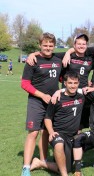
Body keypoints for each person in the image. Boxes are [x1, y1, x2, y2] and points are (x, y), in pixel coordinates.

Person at [27, 34, 93, 129]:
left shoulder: (90, 58)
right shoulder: (64, 56)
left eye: (84, 44)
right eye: (79, 44)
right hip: (67, 95)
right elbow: (47, 53)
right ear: (74, 45)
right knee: (64, 123)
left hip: (83, 94)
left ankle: (76, 143)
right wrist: (32, 54)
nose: (81, 46)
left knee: (79, 126)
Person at [21, 32, 62, 176]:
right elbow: (24, 84)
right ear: (40, 45)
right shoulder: (33, 60)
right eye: (45, 45)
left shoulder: (58, 60)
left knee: (45, 132)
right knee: (33, 133)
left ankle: (43, 160)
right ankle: (26, 167)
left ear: (54, 46)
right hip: (36, 102)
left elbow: (63, 77)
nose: (48, 47)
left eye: (51, 45)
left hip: (52, 103)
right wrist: (41, 95)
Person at [30, 72, 85, 175]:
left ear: (78, 84)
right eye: (70, 83)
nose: (73, 85)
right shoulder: (57, 99)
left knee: (65, 167)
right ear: (65, 83)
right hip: (59, 133)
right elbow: (47, 118)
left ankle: (40, 163)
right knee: (59, 145)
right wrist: (51, 132)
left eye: (75, 83)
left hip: (72, 136)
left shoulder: (81, 97)